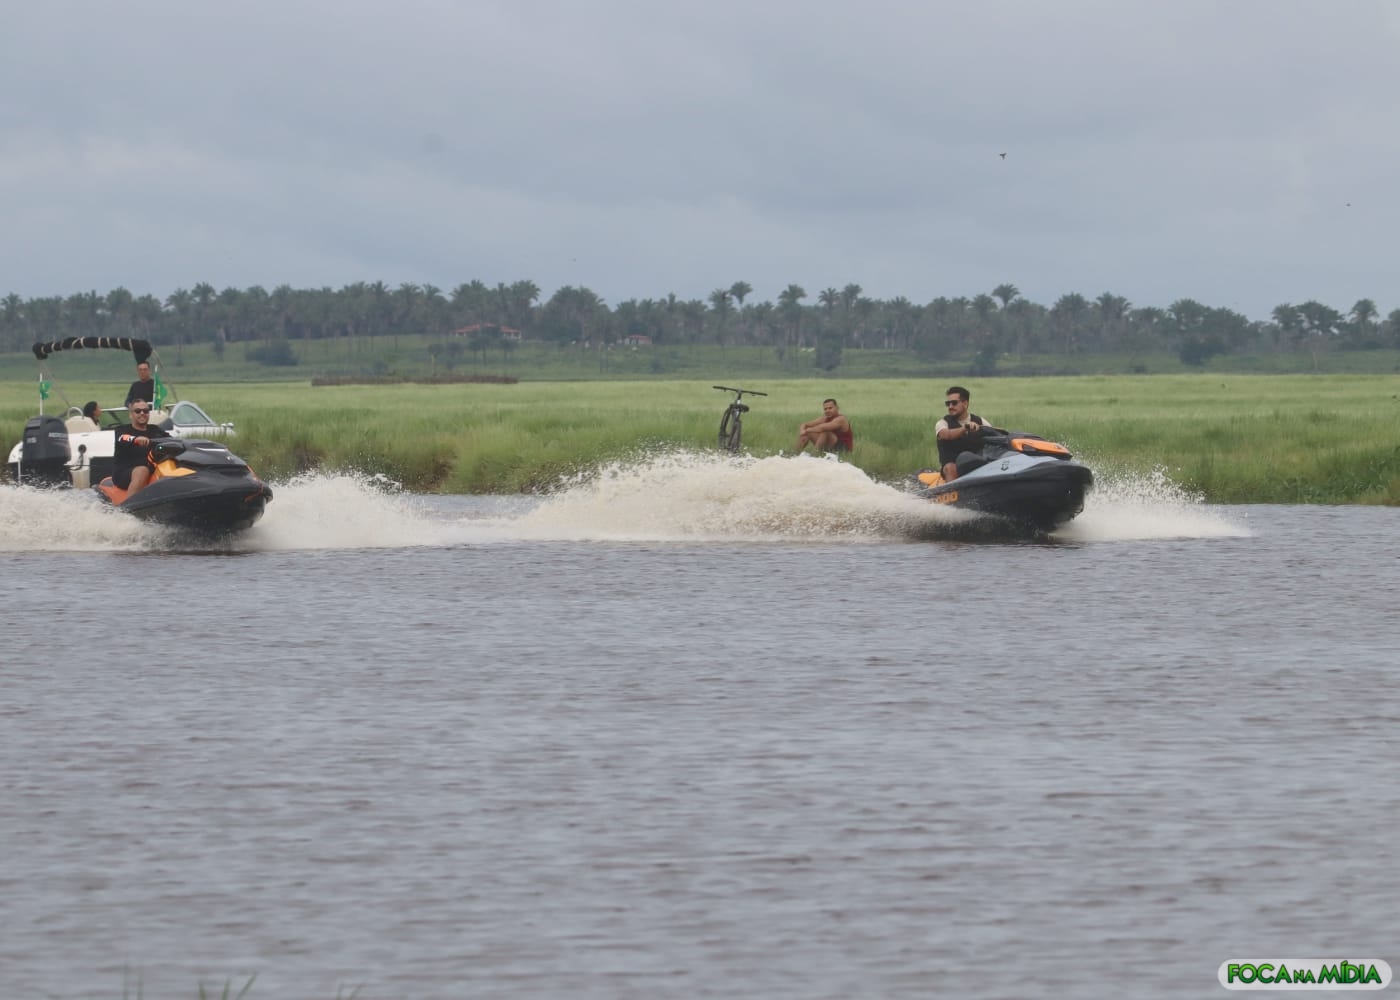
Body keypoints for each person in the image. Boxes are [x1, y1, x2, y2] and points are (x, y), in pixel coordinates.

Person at [111, 402, 170, 496]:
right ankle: (130, 504)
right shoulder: (122, 430)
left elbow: (172, 440)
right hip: (125, 472)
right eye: (138, 411)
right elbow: (122, 437)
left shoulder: (155, 429)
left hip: (153, 469)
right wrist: (135, 439)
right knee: (142, 470)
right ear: (131, 414)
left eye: (145, 411)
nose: (142, 413)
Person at [935, 385, 989, 482]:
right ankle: (953, 490)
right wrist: (964, 428)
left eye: (954, 403)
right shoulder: (942, 423)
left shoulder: (981, 421)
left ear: (965, 403)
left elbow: (995, 433)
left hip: (976, 466)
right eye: (948, 403)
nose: (950, 407)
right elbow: (947, 435)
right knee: (950, 467)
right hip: (952, 468)